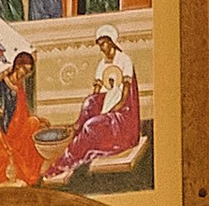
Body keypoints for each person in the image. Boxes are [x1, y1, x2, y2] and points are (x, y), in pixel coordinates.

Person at [50, 33, 142, 179]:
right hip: (107, 104)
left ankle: (68, 159)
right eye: (99, 44)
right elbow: (96, 93)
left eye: (103, 43)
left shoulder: (124, 60)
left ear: (111, 42)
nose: (102, 48)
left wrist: (109, 112)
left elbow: (125, 96)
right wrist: (92, 108)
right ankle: (78, 131)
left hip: (122, 114)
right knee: (89, 102)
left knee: (90, 126)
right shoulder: (102, 64)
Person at [0, 45, 45, 188]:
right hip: (2, 138)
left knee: (34, 123)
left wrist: (39, 121)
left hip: (18, 136)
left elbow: (24, 115)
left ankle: (26, 175)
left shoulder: (19, 87)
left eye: (27, 72)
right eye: (24, 69)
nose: (24, 74)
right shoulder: (2, 87)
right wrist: (6, 147)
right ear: (17, 66)